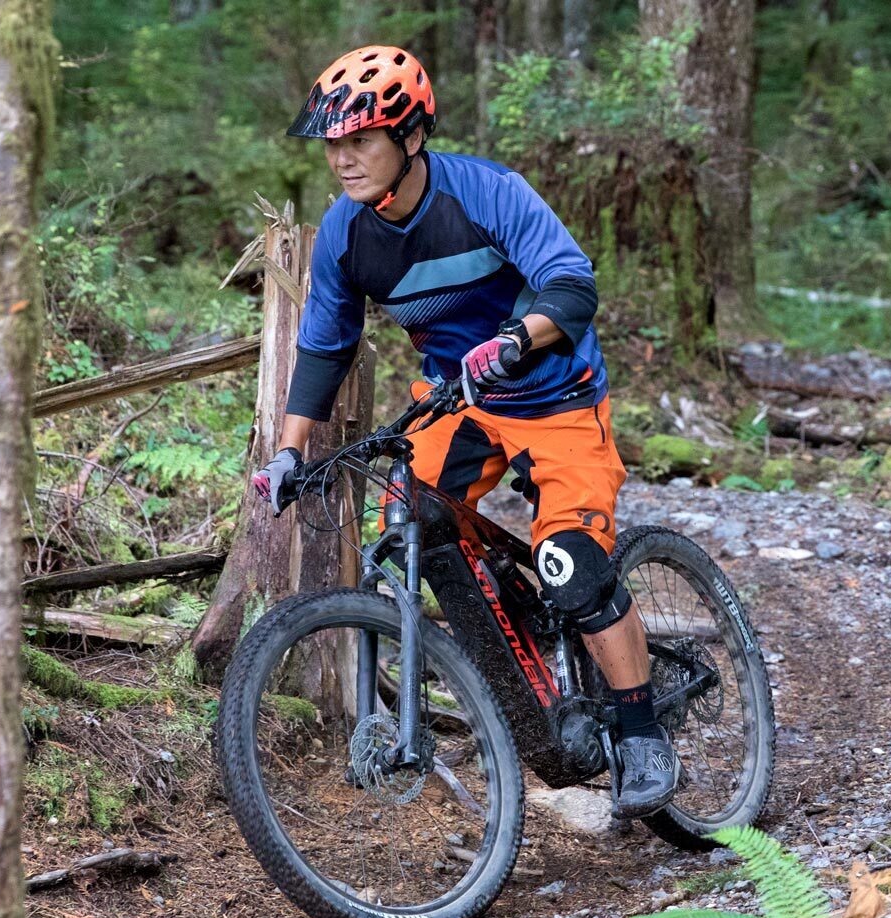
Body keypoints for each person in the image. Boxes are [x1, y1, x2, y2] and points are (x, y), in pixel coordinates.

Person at [249, 45, 678, 818]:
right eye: (333, 146)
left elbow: (573, 286)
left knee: (574, 569)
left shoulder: (486, 193)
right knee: (410, 525)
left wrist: (519, 337)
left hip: (556, 396)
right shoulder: (347, 235)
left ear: (410, 136)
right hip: (456, 402)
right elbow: (323, 347)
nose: (342, 160)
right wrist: (286, 451)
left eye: (360, 141)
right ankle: (520, 671)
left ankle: (643, 731)